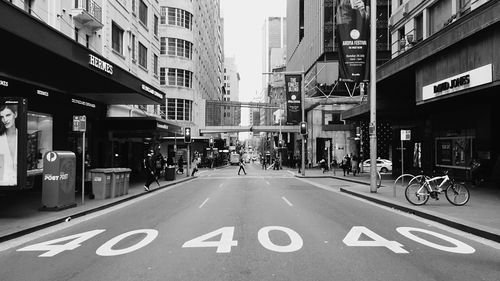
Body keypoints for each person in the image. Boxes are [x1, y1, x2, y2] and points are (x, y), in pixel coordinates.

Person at [0, 105, 18, 186]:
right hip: (3, 184)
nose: (5, 120)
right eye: (2, 117)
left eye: (8, 115)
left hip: (22, 188)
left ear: (15, 114)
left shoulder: (24, 136)